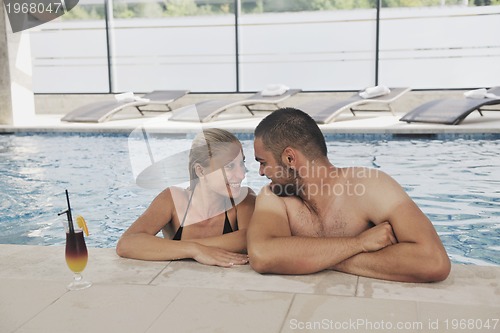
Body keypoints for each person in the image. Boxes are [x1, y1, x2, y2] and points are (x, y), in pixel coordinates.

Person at [247, 108, 451, 282]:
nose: (261, 173)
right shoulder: (274, 195)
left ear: (289, 158)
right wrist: (358, 244)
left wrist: (311, 258)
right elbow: (262, 254)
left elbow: (433, 261)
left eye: (263, 162)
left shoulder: (370, 186)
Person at [117, 128, 255, 267]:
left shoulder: (244, 199)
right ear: (201, 171)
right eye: (229, 166)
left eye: (241, 163)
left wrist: (173, 247)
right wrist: (195, 250)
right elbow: (127, 243)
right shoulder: (173, 200)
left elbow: (249, 238)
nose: (242, 175)